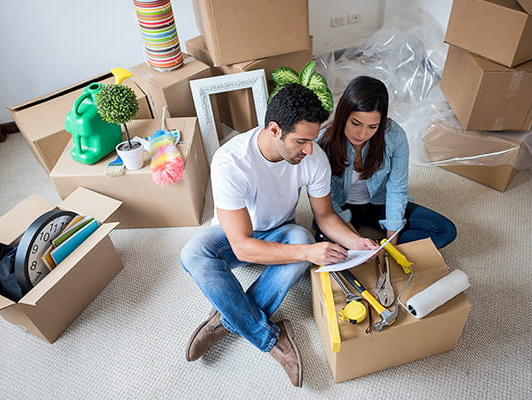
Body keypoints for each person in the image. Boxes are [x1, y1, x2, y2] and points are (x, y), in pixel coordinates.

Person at [180, 83, 377, 387]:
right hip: (234, 236)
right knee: (192, 253)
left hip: (280, 232)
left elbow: (324, 216)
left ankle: (228, 320)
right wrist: (308, 254)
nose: (310, 149)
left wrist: (354, 241)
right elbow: (243, 247)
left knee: (302, 237)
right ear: (274, 130)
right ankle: (271, 339)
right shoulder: (230, 162)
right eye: (301, 141)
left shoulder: (312, 157)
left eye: (312, 140)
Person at [317, 75, 457, 248]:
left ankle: (381, 246)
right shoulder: (322, 141)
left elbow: (397, 188)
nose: (362, 134)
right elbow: (325, 199)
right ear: (343, 115)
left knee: (445, 231)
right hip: (343, 206)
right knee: (325, 239)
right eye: (356, 123)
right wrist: (352, 237)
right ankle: (374, 245)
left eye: (372, 127)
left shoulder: (394, 136)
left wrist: (392, 237)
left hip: (380, 201)